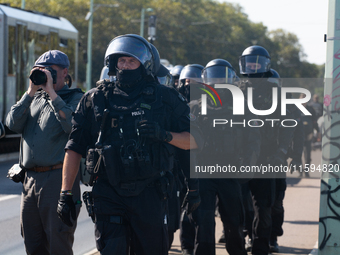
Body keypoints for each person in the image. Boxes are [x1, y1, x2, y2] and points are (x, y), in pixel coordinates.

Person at [57, 34, 201, 255]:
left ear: (144, 66)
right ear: (113, 63)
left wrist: (165, 135)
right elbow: (74, 147)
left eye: (131, 61)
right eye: (121, 61)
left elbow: (194, 140)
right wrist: (65, 193)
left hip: (150, 192)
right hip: (108, 191)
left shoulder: (165, 98)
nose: (124, 66)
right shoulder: (95, 99)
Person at [6, 50, 83, 254]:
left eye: (50, 71)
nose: (44, 75)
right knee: (33, 243)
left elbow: (72, 126)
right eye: (39, 71)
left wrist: (52, 94)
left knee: (59, 241)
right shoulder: (34, 98)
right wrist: (30, 92)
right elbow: (12, 123)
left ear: (65, 72)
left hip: (58, 179)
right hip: (30, 180)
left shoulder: (75, 98)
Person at [188, 58, 261, 255]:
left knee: (234, 224)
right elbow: (186, 142)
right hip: (203, 173)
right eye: (214, 76)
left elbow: (253, 139)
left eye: (223, 76)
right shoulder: (194, 107)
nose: (218, 81)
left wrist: (248, 165)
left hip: (230, 172)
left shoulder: (243, 106)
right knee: (203, 225)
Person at [239, 45, 295, 255]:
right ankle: (246, 236)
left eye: (256, 62)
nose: (252, 67)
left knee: (266, 207)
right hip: (241, 157)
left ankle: (263, 244)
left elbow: (288, 124)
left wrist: (282, 151)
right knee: (242, 204)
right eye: (248, 62)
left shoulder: (276, 93)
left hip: (268, 158)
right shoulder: (237, 89)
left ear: (265, 64)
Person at [300, 93, 319, 177]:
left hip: (308, 135)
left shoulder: (311, 109)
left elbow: (314, 122)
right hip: (298, 136)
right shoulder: (296, 110)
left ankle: (306, 172)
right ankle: (300, 171)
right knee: (298, 154)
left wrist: (318, 132)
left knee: (308, 155)